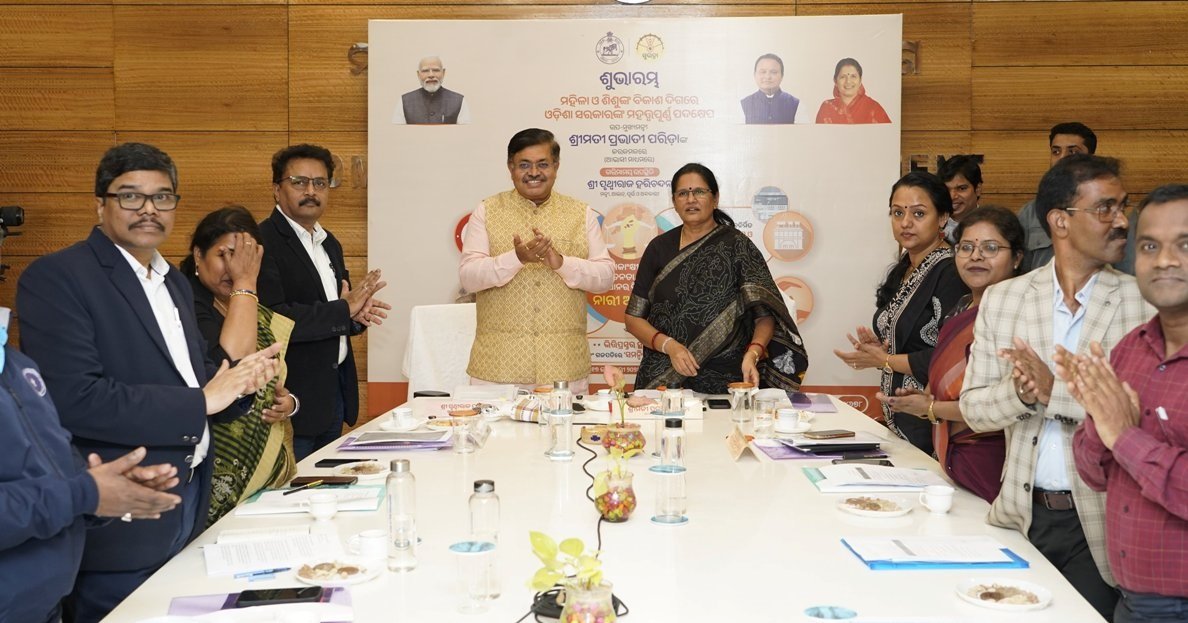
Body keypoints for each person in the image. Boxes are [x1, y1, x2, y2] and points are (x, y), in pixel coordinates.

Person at [16, 142, 281, 622]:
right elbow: (74, 399)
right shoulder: (58, 277)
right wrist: (203, 401)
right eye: (130, 196)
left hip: (189, 498)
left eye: (162, 197)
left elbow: (194, 377)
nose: (148, 209)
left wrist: (238, 385)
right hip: (122, 514)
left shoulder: (172, 280)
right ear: (100, 204)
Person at [960, 154, 1152, 619]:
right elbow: (973, 410)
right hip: (1021, 517)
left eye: (1123, 206)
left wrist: (1053, 391)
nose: (1121, 221)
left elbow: (1143, 420)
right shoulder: (1005, 299)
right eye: (1105, 208)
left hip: (1101, 527)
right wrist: (1022, 393)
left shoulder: (1143, 302)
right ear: (1060, 221)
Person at [1054, 184, 1188, 623]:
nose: (1164, 260)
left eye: (1184, 245)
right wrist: (1100, 421)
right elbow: (1095, 475)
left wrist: (1123, 436)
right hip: (1130, 598)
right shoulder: (1132, 347)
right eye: (1149, 246)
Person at [1, 305, 184, 623]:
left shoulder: (17, 363)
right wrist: (83, 493)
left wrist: (107, 485)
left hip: (45, 606)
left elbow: (50, 467)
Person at [875, 206, 1021, 502]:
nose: (976, 256)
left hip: (993, 461)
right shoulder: (961, 307)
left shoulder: (1018, 316)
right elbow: (944, 384)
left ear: (1017, 258)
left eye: (990, 248)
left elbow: (1004, 404)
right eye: (966, 247)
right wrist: (921, 399)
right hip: (951, 460)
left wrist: (930, 408)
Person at [625, 163, 809, 394]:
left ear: (715, 199)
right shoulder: (658, 248)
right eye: (682, 193)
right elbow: (633, 318)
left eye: (699, 192)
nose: (691, 199)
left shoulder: (738, 246)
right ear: (674, 201)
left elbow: (765, 315)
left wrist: (753, 353)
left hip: (726, 381)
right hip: (664, 377)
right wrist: (669, 346)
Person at [258, 144, 389, 461]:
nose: (311, 191)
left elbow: (338, 308)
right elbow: (273, 319)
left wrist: (355, 316)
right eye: (299, 182)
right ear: (277, 189)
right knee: (291, 487)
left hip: (333, 396)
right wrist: (344, 310)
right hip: (289, 399)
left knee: (329, 483)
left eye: (319, 183)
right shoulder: (263, 242)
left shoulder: (329, 243)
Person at [459, 128, 613, 394]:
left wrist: (561, 263)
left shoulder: (581, 214)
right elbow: (469, 277)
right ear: (510, 167)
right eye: (524, 165)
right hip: (497, 368)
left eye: (542, 164)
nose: (533, 172)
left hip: (563, 366)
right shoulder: (487, 210)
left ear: (556, 166)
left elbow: (605, 278)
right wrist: (516, 258)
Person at [834, 171, 968, 455]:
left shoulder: (950, 272)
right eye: (897, 213)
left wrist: (886, 360)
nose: (905, 222)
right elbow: (910, 341)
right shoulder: (905, 268)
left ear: (943, 218)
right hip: (901, 422)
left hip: (933, 422)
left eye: (919, 213)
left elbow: (953, 357)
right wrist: (879, 350)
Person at [182, 206, 299, 525]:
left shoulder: (249, 306)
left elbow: (273, 382)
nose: (234, 269)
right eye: (224, 256)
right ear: (198, 255)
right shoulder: (187, 303)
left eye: (243, 259)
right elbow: (233, 371)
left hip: (260, 477)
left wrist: (288, 403)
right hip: (203, 469)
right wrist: (245, 283)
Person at [1017, 122, 1097, 273]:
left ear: (1091, 159)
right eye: (1056, 152)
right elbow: (1019, 270)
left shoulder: (1103, 210)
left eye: (1073, 152)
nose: (1062, 158)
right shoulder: (1030, 213)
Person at [395, 56, 471, 125]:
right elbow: (397, 133)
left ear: (443, 73)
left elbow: (464, 133)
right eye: (425, 71)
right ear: (418, 74)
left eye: (436, 70)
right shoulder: (404, 101)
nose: (431, 75)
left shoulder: (459, 101)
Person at [814, 57, 891, 125]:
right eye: (843, 77)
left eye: (853, 76)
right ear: (835, 81)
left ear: (860, 80)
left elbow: (887, 135)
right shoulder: (826, 108)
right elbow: (820, 135)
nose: (848, 81)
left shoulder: (874, 108)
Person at [937, 154, 984, 244]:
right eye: (947, 189)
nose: (952, 196)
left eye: (961, 188)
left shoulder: (994, 226)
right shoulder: (931, 227)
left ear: (977, 189)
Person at [741, 53, 799, 124]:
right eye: (763, 72)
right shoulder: (743, 105)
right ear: (755, 75)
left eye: (773, 72)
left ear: (782, 76)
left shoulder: (796, 104)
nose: (768, 76)